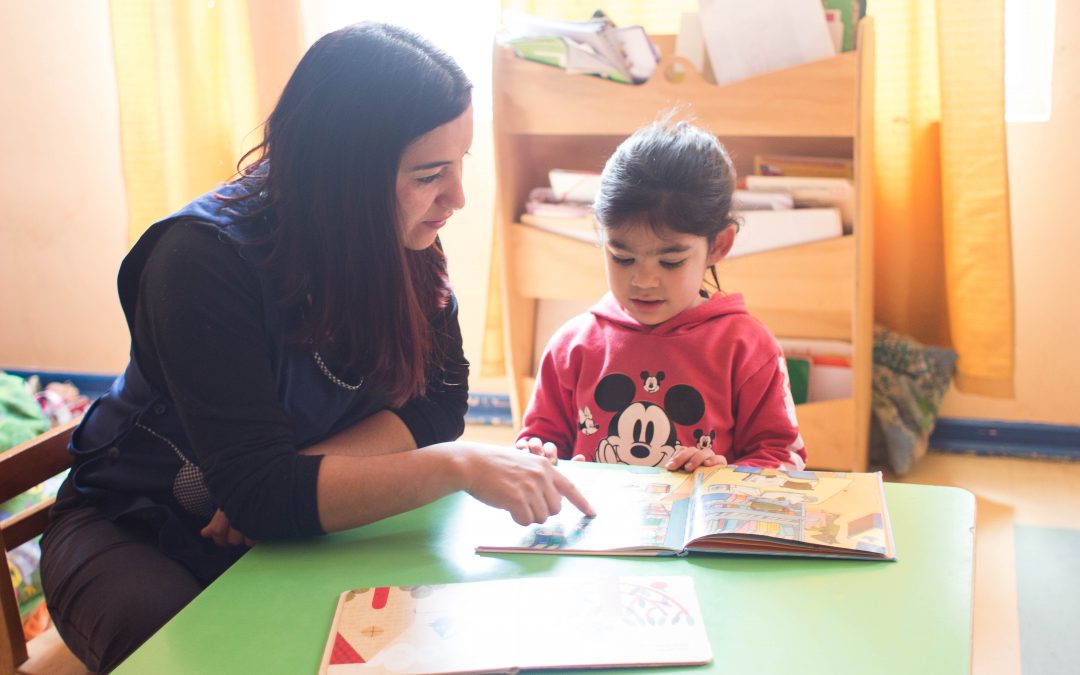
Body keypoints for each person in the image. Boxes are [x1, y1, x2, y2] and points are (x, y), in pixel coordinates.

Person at [40, 22, 591, 673]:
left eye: (460, 163)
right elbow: (269, 492)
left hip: (260, 519)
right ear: (345, 174)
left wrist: (296, 477)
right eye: (429, 174)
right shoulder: (199, 262)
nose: (457, 197)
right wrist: (457, 466)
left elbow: (436, 403)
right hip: (135, 527)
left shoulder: (403, 238)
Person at [516, 118, 807, 473]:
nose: (644, 280)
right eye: (622, 258)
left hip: (701, 529)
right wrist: (535, 454)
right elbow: (540, 439)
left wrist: (722, 474)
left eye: (670, 261)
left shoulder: (747, 347)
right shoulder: (571, 346)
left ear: (719, 245)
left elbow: (783, 458)